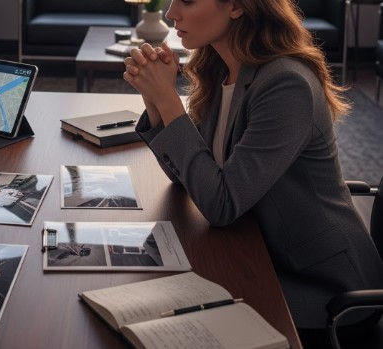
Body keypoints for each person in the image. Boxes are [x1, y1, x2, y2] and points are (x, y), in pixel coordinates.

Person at [123, 0, 383, 346]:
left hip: (322, 284)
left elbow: (221, 205)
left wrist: (169, 99)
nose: (171, 13)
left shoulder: (286, 84)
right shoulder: (223, 68)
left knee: (164, 315)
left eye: (186, 1)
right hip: (259, 249)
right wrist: (154, 101)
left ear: (235, 7)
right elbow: (191, 177)